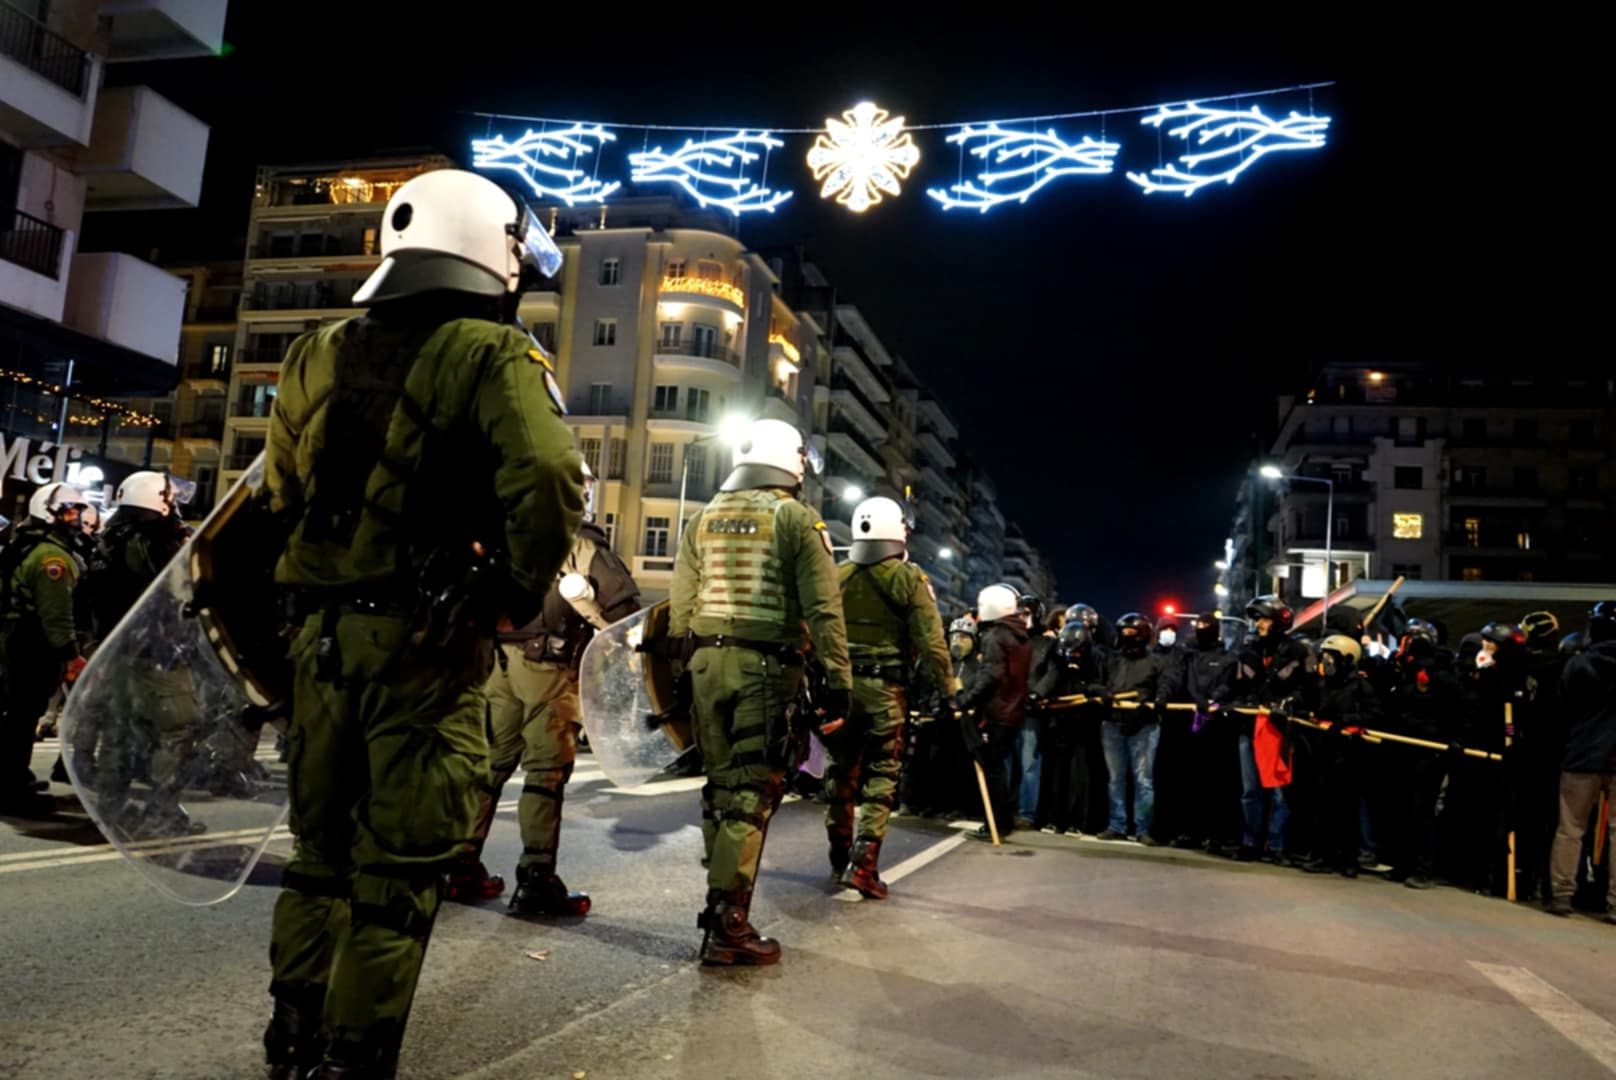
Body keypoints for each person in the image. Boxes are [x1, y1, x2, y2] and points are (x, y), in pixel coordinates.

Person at [259, 168, 584, 1078]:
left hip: (318, 641)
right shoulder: (492, 354)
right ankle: (354, 1057)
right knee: (397, 868)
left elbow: (278, 489)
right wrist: (513, 594)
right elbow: (552, 479)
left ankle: (293, 1031)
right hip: (423, 646)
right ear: (494, 249)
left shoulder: (314, 349)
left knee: (319, 850)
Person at [668, 417, 851, 965]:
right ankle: (729, 923)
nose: (801, 466)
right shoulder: (796, 519)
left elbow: (680, 606)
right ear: (785, 458)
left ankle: (718, 902)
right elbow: (823, 608)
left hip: (706, 664)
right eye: (799, 456)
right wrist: (839, 684)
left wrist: (684, 670)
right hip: (764, 670)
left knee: (720, 787)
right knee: (753, 791)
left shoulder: (702, 519)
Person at [449, 460, 640, 915]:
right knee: (545, 773)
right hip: (548, 670)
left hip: (497, 665)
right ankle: (536, 880)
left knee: (488, 766)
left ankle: (457, 864)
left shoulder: (502, 531)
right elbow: (624, 613)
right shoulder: (579, 544)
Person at [824, 495, 954, 898]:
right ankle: (863, 865)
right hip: (886, 694)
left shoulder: (835, 576)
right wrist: (951, 691)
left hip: (842, 691)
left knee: (839, 773)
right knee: (881, 776)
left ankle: (839, 856)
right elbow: (932, 644)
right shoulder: (910, 579)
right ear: (897, 531)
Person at [84, 472, 203, 837]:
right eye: (171, 497)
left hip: (116, 648)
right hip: (157, 650)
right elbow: (186, 590)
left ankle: (110, 808)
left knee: (119, 729)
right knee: (180, 727)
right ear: (157, 499)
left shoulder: (109, 538)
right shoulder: (157, 540)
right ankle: (161, 811)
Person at [0, 482, 89, 817]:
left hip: (14, 638)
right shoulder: (52, 557)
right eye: (68, 511)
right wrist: (70, 653)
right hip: (30, 644)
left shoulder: (26, 546)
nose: (76, 519)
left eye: (78, 511)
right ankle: (11, 790)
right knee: (23, 716)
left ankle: (12, 777)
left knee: (14, 715)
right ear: (48, 514)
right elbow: (56, 614)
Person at [1230, 595, 1314, 863]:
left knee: (1280, 791)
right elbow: (1236, 686)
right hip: (1249, 727)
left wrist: (1290, 703)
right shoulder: (1247, 653)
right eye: (1256, 619)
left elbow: (1310, 688)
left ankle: (1277, 845)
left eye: (1263, 618)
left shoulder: (1300, 652)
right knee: (1250, 790)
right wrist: (1224, 700)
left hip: (1280, 730)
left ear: (1279, 621)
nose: (1258, 624)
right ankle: (1250, 842)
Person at [1546, 601, 1616, 921]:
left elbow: (1562, 708)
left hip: (1582, 754)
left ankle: (1562, 893)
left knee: (1571, 828)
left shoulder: (1579, 665)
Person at [1380, 618, 1461, 889]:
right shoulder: (1402, 668)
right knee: (1400, 807)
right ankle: (1402, 863)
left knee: (1421, 809)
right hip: (1403, 747)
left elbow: (1451, 710)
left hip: (1429, 751)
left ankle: (1424, 867)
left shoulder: (1441, 672)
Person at [959, 584, 1031, 840]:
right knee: (999, 768)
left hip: (996, 711)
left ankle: (997, 823)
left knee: (991, 768)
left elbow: (991, 675)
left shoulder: (995, 636)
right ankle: (1002, 821)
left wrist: (967, 700)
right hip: (1014, 712)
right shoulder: (1021, 635)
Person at [1302, 634, 1379, 877]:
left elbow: (1374, 715)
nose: (1326, 662)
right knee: (1323, 806)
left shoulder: (1360, 686)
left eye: (1330, 656)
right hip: (1325, 751)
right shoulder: (1324, 684)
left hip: (1350, 755)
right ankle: (1324, 855)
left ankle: (1348, 859)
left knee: (1348, 809)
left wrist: (1344, 722)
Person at [1095, 612, 1172, 844]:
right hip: (1113, 723)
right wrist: (1101, 693)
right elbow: (1096, 682)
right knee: (1115, 779)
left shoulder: (1156, 661)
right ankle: (1117, 824)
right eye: (1124, 632)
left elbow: (1165, 686)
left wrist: (1153, 701)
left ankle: (1143, 828)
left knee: (1143, 780)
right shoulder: (1112, 659)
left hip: (1143, 726)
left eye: (1132, 632)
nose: (1127, 636)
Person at [1033, 619, 1106, 835]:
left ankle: (1077, 820)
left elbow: (1100, 683)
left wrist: (1091, 690)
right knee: (1057, 773)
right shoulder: (1058, 659)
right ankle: (1055, 818)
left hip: (1084, 725)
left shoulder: (1095, 659)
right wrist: (1038, 695)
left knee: (1079, 775)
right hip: (1059, 723)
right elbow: (1052, 678)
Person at [1178, 612, 1238, 851]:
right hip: (1190, 724)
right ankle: (1191, 831)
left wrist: (1213, 700)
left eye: (1206, 627)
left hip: (1216, 727)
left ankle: (1215, 835)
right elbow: (1178, 679)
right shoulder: (1188, 657)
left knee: (1216, 783)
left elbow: (1227, 685)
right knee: (1190, 781)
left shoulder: (1227, 659)